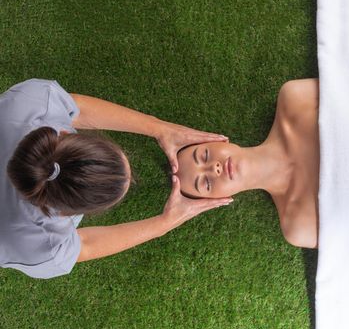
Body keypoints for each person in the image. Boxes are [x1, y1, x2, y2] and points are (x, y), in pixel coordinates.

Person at [1, 78, 232, 279]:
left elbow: (79, 108)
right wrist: (163, 223)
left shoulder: (30, 106)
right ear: (66, 213)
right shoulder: (40, 244)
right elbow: (86, 246)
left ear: (62, 135)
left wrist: (161, 129)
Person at [176, 79, 319, 248]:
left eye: (205, 156)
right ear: (220, 200)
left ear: (217, 140)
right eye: (206, 183)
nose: (214, 168)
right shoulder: (297, 226)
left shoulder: (294, 100)